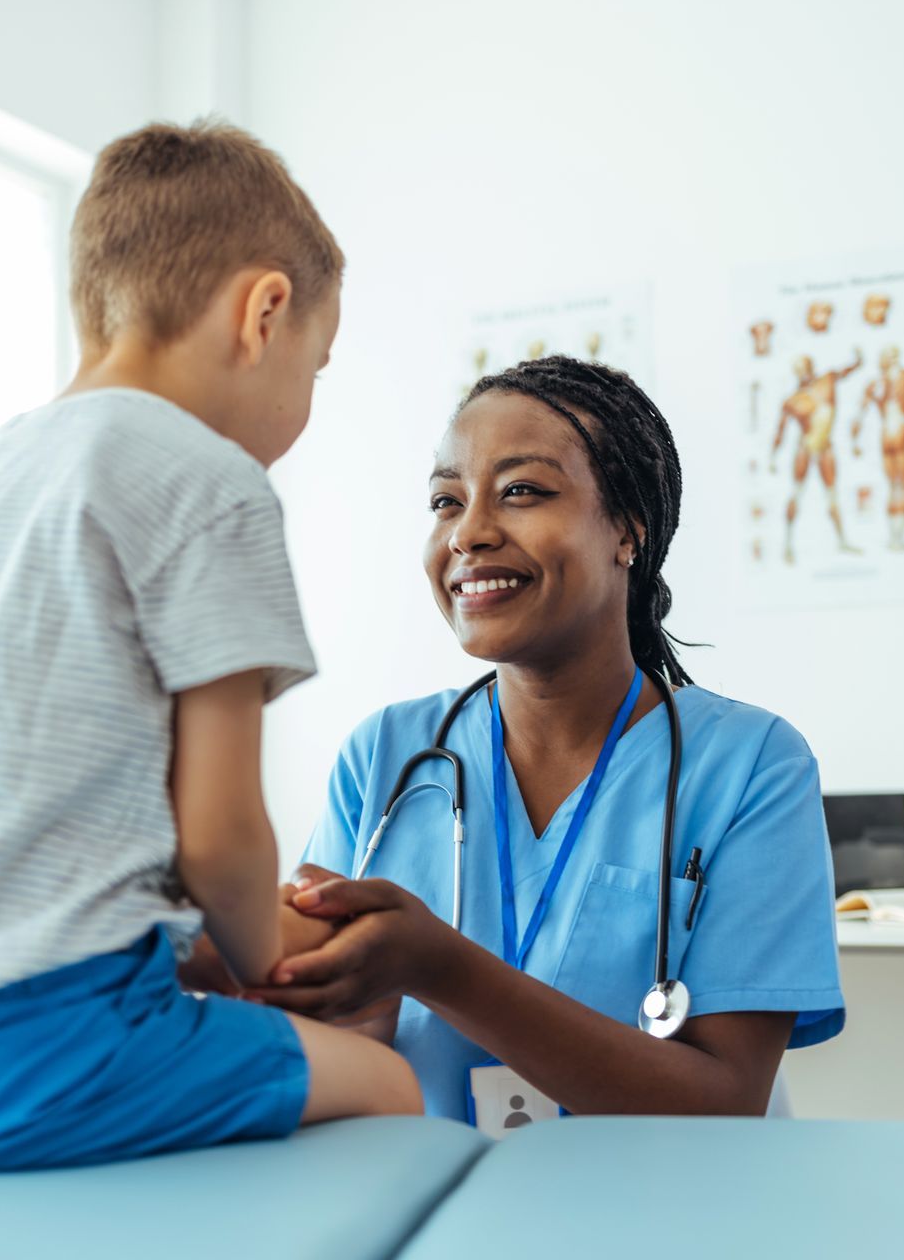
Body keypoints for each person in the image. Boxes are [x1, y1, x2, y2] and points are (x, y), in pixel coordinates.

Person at [0, 121, 420, 1173]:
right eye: (319, 364)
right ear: (265, 313)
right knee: (386, 1083)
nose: (307, 402)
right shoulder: (208, 481)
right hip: (15, 1041)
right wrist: (266, 965)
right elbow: (220, 836)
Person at [250, 356, 845, 1122]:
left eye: (522, 491)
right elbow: (326, 1028)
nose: (469, 533)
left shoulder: (751, 765)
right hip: (432, 1208)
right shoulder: (387, 755)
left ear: (628, 528)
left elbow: (726, 1099)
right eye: (445, 501)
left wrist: (444, 969)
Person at [772, 350, 864, 559]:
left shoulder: (827, 381)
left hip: (824, 447)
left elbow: (845, 372)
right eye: (799, 369)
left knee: (832, 495)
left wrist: (858, 362)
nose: (803, 372)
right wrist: (773, 457)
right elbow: (780, 431)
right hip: (805, 448)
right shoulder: (793, 401)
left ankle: (842, 541)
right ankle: (787, 544)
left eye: (805, 367)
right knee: (796, 492)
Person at [852, 344, 904, 551]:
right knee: (899, 487)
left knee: (897, 488)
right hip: (896, 433)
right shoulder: (882, 382)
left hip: (894, 430)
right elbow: (859, 413)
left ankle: (896, 537)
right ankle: (896, 538)